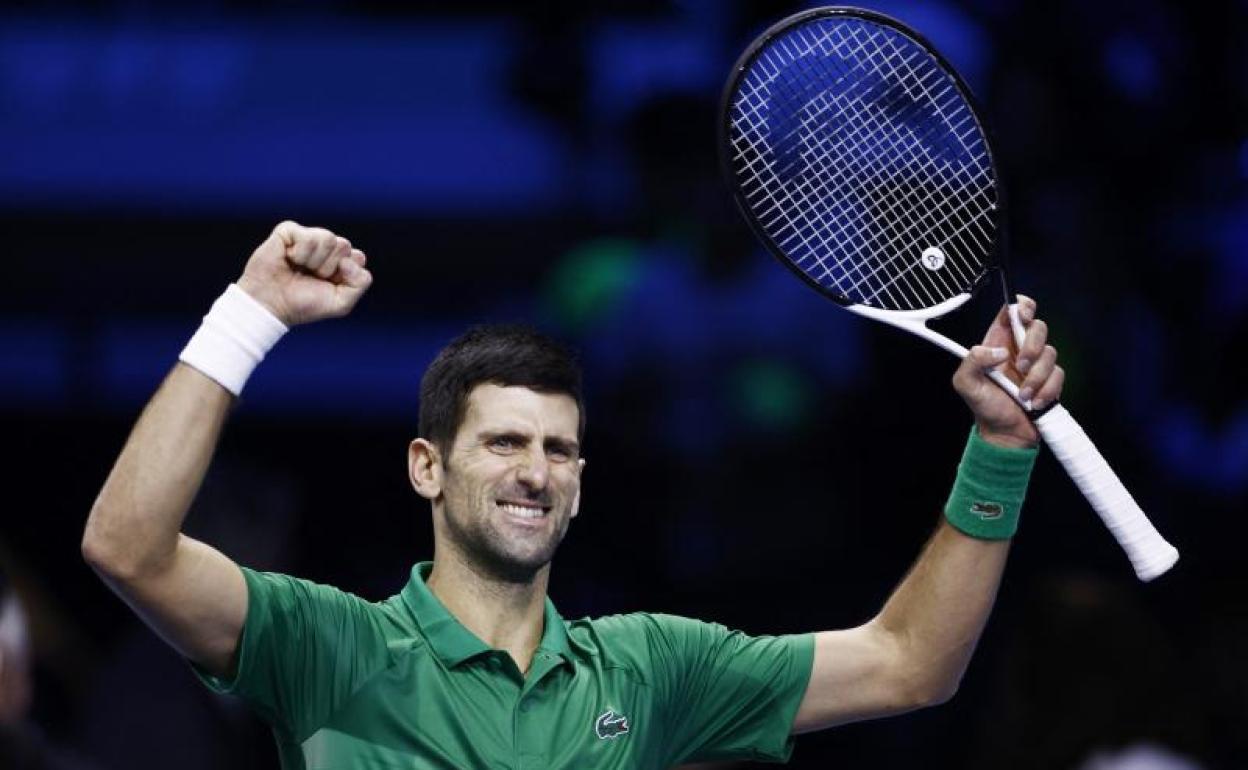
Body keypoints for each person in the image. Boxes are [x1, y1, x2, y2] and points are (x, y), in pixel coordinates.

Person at [82, 221, 1065, 768]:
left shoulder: (649, 667)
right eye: (504, 440)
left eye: (559, 447)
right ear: (427, 465)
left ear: (582, 482)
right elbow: (128, 545)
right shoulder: (328, 644)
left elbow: (910, 663)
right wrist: (246, 316)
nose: (535, 468)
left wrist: (1000, 444)